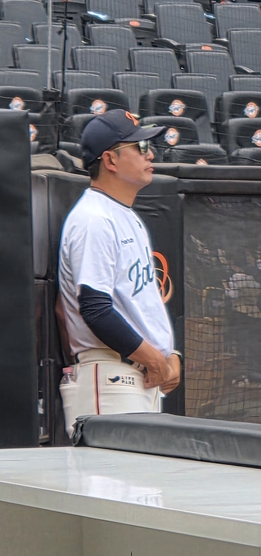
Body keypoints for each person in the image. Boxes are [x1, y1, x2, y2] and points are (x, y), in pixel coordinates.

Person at [57, 110, 179, 436]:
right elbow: (95, 309)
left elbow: (137, 303)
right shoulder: (93, 219)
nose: (150, 154)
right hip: (110, 376)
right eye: (140, 147)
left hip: (136, 375)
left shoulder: (125, 215)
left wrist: (169, 354)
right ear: (110, 160)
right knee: (111, 470)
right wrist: (155, 358)